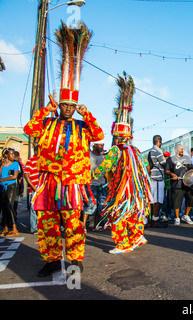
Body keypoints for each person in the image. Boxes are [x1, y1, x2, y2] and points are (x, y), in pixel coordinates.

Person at [23, 22, 102, 277]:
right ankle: (51, 259)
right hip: (48, 181)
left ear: (75, 106)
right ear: (59, 105)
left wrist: (87, 114)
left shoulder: (82, 126)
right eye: (64, 105)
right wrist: (47, 108)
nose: (67, 109)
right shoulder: (47, 122)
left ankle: (75, 259)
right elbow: (29, 130)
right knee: (47, 225)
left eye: (71, 106)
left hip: (72, 183)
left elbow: (99, 136)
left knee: (72, 223)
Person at [92, 72, 152, 254]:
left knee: (117, 215)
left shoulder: (116, 150)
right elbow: (143, 170)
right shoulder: (135, 150)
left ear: (117, 135)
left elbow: (105, 166)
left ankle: (123, 244)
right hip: (135, 192)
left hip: (120, 191)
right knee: (132, 214)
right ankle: (137, 237)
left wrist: (92, 175)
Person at [165, 144, 193, 226]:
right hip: (177, 184)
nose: (181, 150)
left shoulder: (187, 158)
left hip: (187, 183)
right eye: (179, 149)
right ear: (175, 150)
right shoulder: (171, 159)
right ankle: (177, 218)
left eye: (182, 149)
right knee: (176, 202)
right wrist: (172, 174)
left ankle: (186, 215)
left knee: (191, 200)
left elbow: (191, 169)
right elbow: (166, 171)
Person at [82, 140, 107, 231]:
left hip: (101, 184)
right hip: (90, 184)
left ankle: (96, 225)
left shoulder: (103, 157)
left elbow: (105, 171)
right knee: (89, 204)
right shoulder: (88, 155)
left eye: (103, 145)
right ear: (94, 145)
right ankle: (83, 225)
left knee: (101, 204)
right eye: (100, 145)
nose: (102, 147)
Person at [147, 135, 168, 228]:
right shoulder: (158, 151)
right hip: (158, 178)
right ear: (159, 141)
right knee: (158, 200)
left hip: (153, 177)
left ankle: (152, 219)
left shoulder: (151, 151)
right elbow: (164, 163)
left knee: (153, 199)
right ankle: (155, 219)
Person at [0, 148, 20, 237]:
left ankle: (14, 228)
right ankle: (6, 228)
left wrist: (1, 179)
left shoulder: (15, 164)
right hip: (2, 187)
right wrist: (2, 164)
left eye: (13, 154)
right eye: (11, 154)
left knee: (9, 206)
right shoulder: (2, 164)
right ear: (6, 155)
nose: (13, 156)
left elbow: (14, 177)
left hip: (11, 186)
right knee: (3, 207)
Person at [23, 143, 39, 234]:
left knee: (40, 209)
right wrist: (33, 187)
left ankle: (39, 226)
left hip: (41, 189)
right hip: (34, 189)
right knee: (33, 209)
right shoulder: (31, 161)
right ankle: (34, 228)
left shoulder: (42, 161)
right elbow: (26, 174)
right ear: (36, 151)